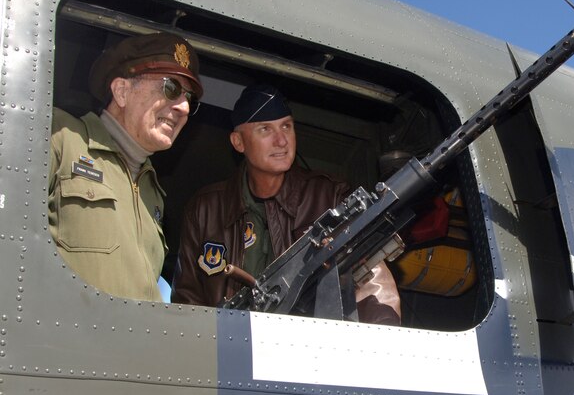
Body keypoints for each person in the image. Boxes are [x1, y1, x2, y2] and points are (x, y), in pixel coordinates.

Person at [172, 84, 401, 325]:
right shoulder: (205, 210)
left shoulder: (330, 197)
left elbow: (372, 281)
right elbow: (187, 301)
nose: (281, 140)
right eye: (265, 129)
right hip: (228, 350)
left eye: (286, 126)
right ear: (238, 142)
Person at [48, 32, 202, 301]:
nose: (184, 107)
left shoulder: (152, 190)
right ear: (122, 91)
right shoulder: (61, 138)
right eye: (172, 88)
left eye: (189, 97)